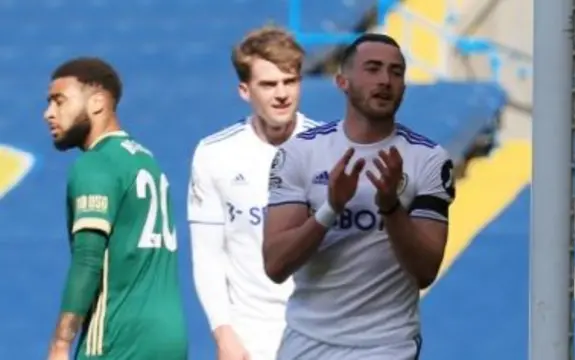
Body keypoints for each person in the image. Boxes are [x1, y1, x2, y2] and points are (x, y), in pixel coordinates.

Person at [263, 33, 456, 360]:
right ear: (342, 81)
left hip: (386, 346)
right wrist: (331, 208)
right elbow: (276, 265)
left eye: (396, 72)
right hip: (308, 343)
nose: (385, 80)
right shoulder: (300, 152)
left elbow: (425, 271)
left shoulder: (429, 159)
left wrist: (391, 207)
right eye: (373, 68)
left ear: (404, 88)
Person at [187, 26, 320, 360]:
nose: (282, 94)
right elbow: (208, 256)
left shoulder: (333, 149)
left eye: (290, 81)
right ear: (245, 90)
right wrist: (223, 333)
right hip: (252, 337)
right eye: (269, 84)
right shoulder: (215, 154)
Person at [44, 57, 187, 360]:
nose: (49, 113)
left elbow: (88, 258)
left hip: (117, 338)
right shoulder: (146, 161)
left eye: (59, 101)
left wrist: (60, 343)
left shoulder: (96, 164)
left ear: (97, 102)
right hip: (169, 338)